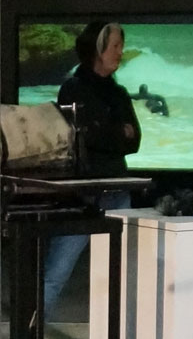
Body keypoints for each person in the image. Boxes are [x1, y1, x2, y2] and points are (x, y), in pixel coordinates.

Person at [40, 19, 141, 317]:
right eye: (115, 46)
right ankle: (29, 337)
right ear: (98, 49)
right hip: (81, 194)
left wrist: (105, 132)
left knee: (123, 274)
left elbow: (135, 140)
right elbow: (84, 137)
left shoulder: (119, 93)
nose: (120, 52)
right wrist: (116, 132)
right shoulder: (73, 89)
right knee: (56, 272)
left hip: (117, 191)